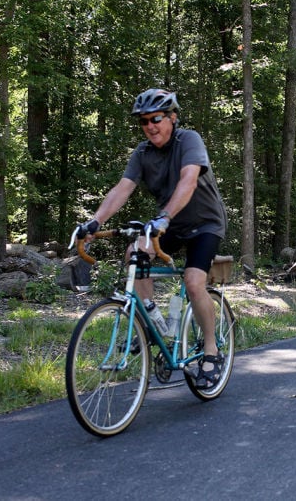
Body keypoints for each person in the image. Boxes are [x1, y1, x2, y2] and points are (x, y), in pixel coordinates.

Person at [74, 88, 228, 389]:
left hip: (204, 223)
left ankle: (211, 350)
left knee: (194, 283)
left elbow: (188, 180)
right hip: (166, 222)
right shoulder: (143, 153)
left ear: (172, 117)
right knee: (135, 252)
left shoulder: (189, 140)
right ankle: (149, 318)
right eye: (144, 122)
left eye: (156, 118)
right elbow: (122, 188)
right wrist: (95, 222)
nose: (150, 126)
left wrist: (165, 217)